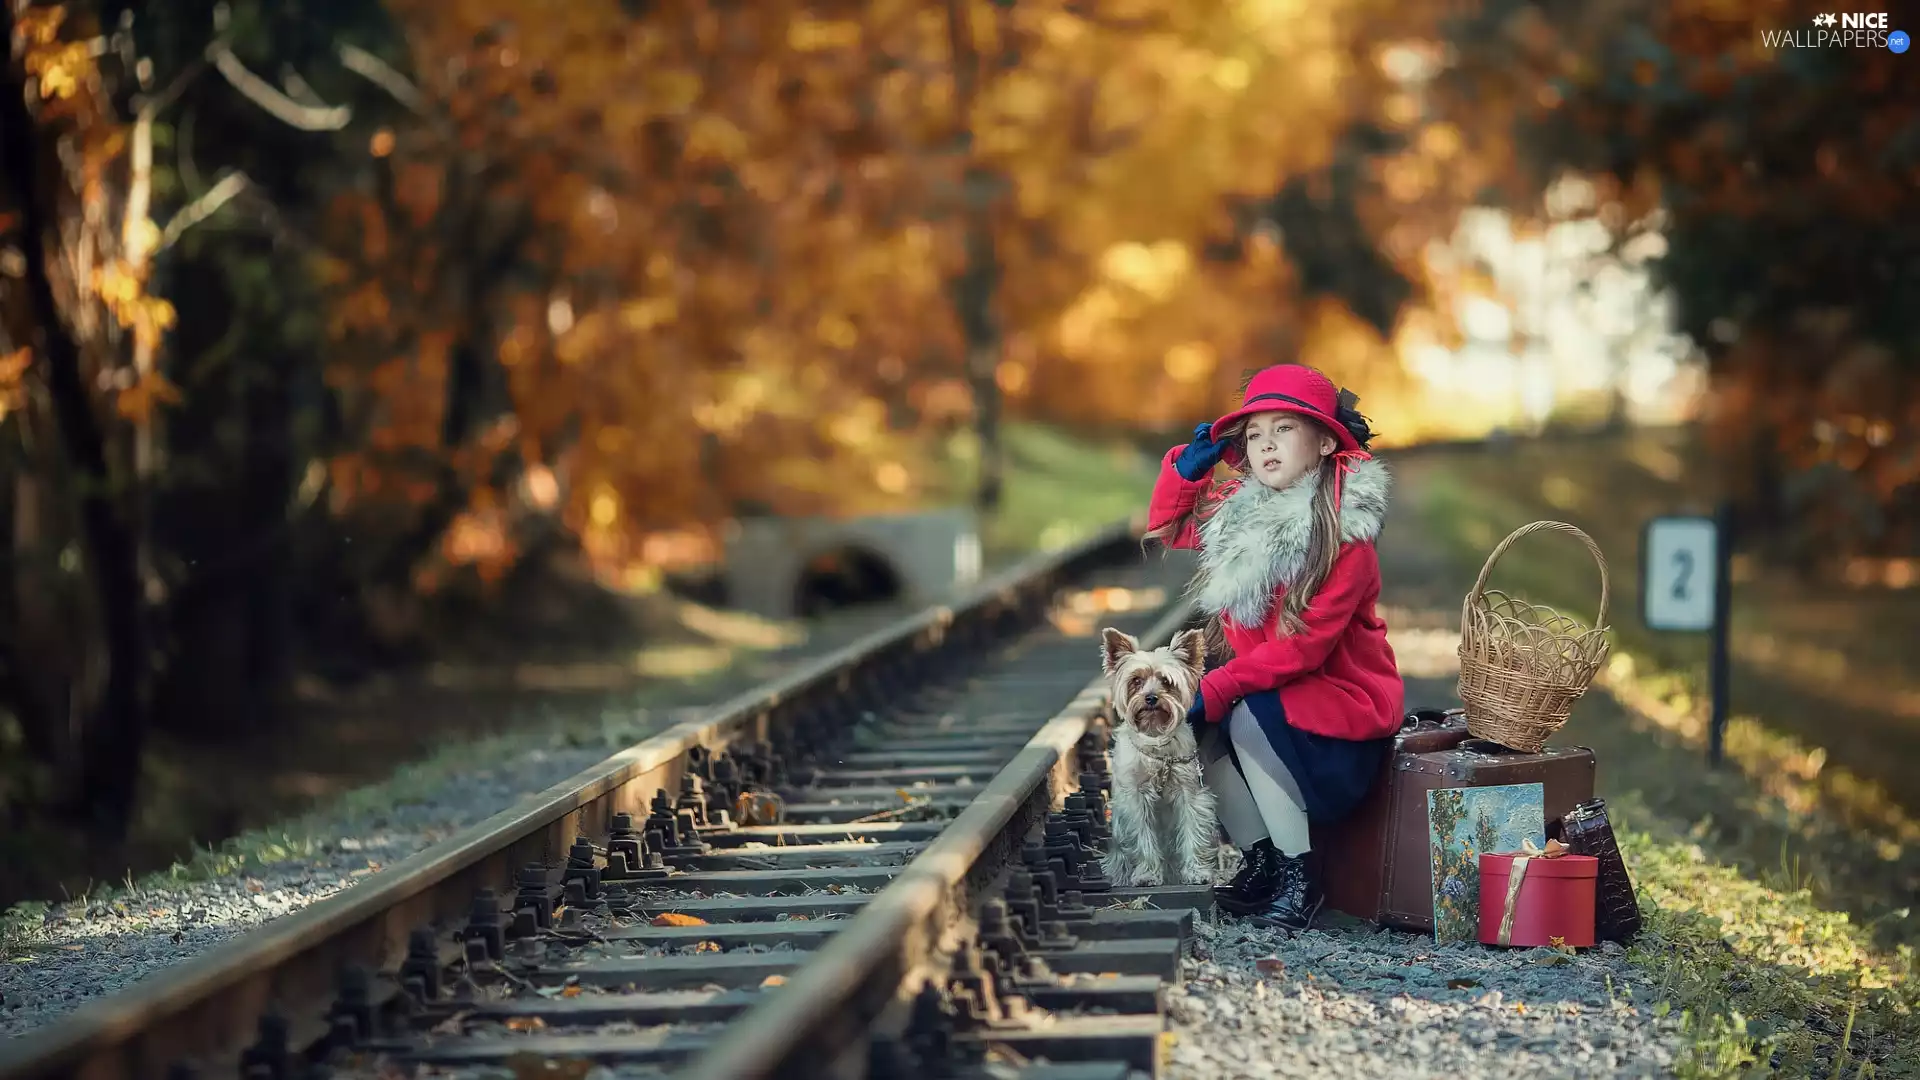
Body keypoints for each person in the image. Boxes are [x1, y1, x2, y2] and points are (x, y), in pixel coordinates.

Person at [1143, 363, 1402, 931]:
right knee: (1194, 726)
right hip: (1283, 711)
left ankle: (1299, 876)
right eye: (1254, 435)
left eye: (1283, 430)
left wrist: (1211, 688)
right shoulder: (1241, 516)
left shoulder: (1343, 534)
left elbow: (1301, 652)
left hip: (1341, 724)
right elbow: (1167, 523)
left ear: (1326, 439)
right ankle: (1260, 860)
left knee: (1239, 716)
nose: (1265, 446)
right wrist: (1186, 471)